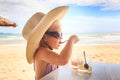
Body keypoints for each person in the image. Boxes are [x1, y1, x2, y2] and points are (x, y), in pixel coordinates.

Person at [22, 6, 79, 80]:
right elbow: (63, 60)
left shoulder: (46, 51)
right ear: (44, 37)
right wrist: (71, 39)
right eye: (57, 34)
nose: (61, 37)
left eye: (61, 34)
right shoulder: (42, 52)